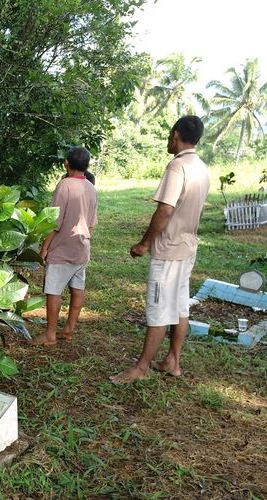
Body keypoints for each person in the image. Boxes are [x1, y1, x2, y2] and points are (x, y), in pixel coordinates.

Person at [111, 115, 209, 384]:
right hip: (188, 247)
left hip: (168, 250)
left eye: (170, 134)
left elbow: (166, 209)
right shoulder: (201, 167)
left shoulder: (178, 167)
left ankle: (141, 367)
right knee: (179, 307)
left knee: (157, 309)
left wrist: (144, 244)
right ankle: (173, 361)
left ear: (176, 134)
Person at [33, 146, 98, 346]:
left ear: (66, 163)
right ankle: (69, 329)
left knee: (53, 290)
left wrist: (44, 248)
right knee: (77, 288)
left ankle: (50, 334)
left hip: (62, 248)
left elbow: (55, 222)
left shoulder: (64, 185)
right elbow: (91, 223)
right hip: (82, 247)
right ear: (86, 166)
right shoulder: (91, 187)